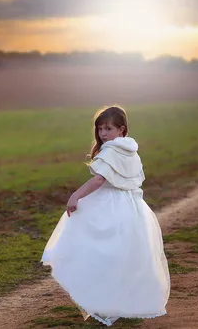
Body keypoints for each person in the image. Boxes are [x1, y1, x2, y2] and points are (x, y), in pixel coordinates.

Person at [40, 105, 170, 326]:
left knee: (100, 252)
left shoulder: (111, 151)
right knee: (125, 255)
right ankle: (122, 300)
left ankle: (106, 300)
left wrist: (76, 195)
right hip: (132, 207)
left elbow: (99, 180)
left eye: (108, 128)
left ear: (121, 129)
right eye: (100, 129)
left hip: (110, 206)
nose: (103, 134)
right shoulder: (130, 150)